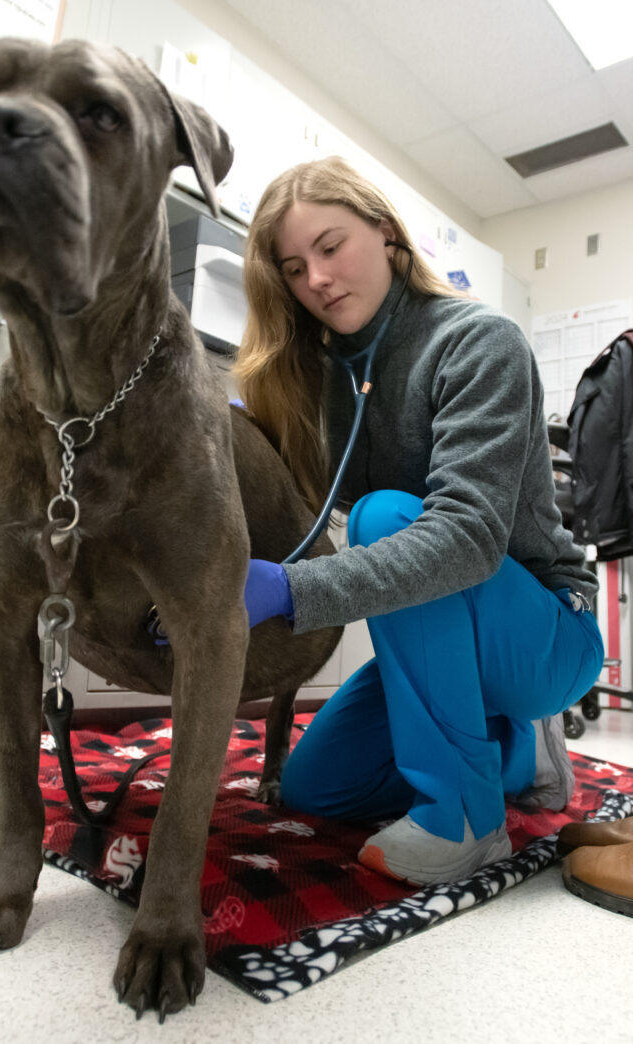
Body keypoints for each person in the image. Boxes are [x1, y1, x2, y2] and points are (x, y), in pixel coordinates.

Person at [234, 156, 604, 887]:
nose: (316, 279)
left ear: (386, 233)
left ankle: (464, 819)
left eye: (331, 246)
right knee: (319, 791)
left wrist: (288, 592)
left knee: (385, 515)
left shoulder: (478, 342)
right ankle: (519, 753)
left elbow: (464, 541)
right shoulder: (322, 380)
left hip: (546, 633)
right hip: (450, 635)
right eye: (294, 267)